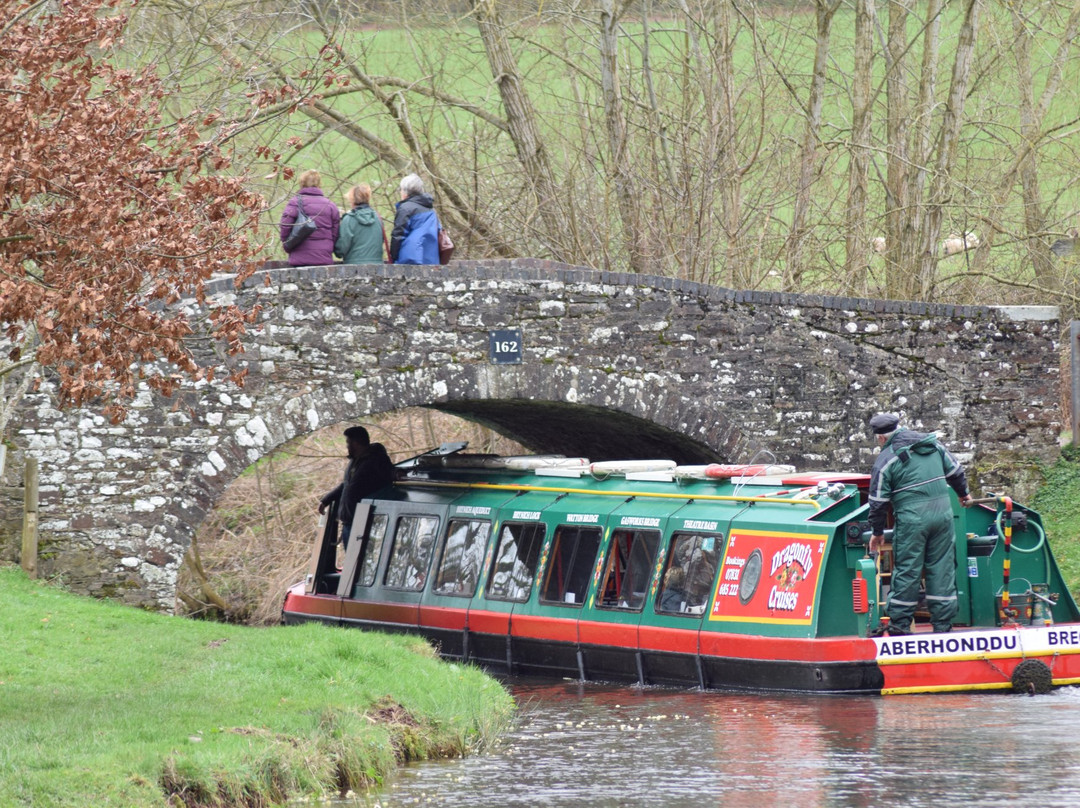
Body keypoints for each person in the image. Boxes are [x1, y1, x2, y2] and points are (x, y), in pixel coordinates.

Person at [867, 413, 973, 635]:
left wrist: (877, 533)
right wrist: (963, 495)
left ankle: (900, 626)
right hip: (943, 515)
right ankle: (943, 626)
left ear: (881, 439)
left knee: (908, 569)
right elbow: (956, 471)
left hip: (912, 520)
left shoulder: (886, 460)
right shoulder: (932, 444)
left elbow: (877, 502)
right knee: (942, 568)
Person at [318, 426, 395, 547]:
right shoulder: (355, 461)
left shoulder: (377, 460)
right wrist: (326, 500)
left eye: (348, 443)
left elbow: (390, 477)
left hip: (363, 521)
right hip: (349, 521)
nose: (347, 446)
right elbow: (347, 485)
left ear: (356, 443)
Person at [279, 169, 340, 267]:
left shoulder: (294, 202)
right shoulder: (330, 205)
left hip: (299, 258)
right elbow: (335, 233)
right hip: (323, 258)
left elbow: (285, 226)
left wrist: (287, 245)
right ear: (319, 183)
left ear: (302, 183)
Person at [390, 173, 440, 265]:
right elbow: (439, 233)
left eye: (400, 190)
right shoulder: (431, 210)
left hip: (410, 260)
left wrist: (393, 257)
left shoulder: (405, 208)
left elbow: (398, 236)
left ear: (406, 192)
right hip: (432, 260)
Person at [335, 183, 385, 265]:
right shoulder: (378, 218)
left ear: (352, 199)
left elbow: (342, 248)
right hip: (377, 267)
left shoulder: (349, 219)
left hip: (354, 267)